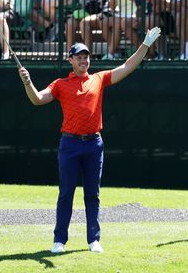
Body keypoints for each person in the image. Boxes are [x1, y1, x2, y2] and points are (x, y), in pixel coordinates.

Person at [18, 28, 162, 254]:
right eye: (79, 57)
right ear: (70, 60)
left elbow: (126, 67)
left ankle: (93, 240)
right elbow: (37, 99)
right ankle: (59, 241)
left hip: (94, 144)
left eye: (86, 57)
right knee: (66, 193)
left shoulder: (98, 78)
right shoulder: (60, 84)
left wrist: (144, 45)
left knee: (92, 194)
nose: (84, 60)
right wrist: (27, 83)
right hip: (70, 144)